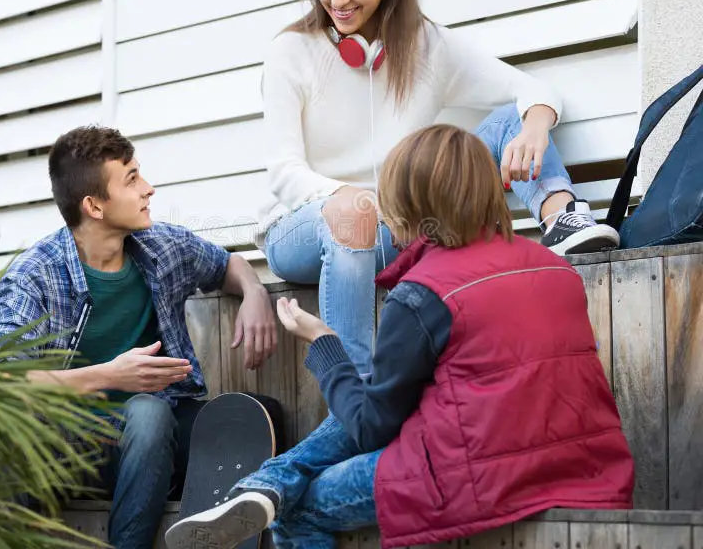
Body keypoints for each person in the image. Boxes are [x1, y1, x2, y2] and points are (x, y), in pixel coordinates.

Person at [164, 124, 634, 549]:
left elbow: (371, 426)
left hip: (473, 479)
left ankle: (272, 486)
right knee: (372, 408)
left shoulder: (423, 294)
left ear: (409, 203)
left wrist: (325, 344)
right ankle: (269, 482)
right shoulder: (556, 267)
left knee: (299, 509)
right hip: (588, 466)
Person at [255, 0, 620, 374]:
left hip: (395, 227)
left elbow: (529, 89)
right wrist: (357, 201)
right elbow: (284, 172)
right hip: (302, 229)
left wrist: (534, 126)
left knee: (513, 116)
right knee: (354, 214)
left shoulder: (427, 46)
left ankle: (561, 218)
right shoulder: (290, 52)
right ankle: (356, 392)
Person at [0, 125, 277, 549]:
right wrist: (110, 375)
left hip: (156, 446)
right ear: (95, 205)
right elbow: (3, 383)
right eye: (131, 179)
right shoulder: (35, 275)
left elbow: (224, 265)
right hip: (69, 451)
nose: (149, 189)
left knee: (252, 413)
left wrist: (254, 292)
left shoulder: (159, 246)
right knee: (145, 412)